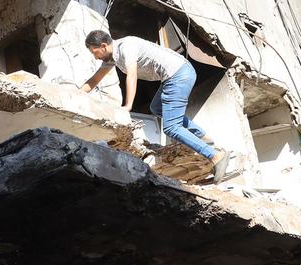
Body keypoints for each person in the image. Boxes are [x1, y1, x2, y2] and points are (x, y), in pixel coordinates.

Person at [78, 30, 231, 181]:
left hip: (179, 74)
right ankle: (203, 137)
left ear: (103, 46)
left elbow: (132, 75)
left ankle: (216, 156)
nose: (95, 57)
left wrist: (128, 106)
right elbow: (95, 79)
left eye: (94, 52)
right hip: (174, 76)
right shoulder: (111, 59)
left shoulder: (126, 46)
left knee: (171, 127)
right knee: (156, 108)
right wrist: (76, 94)